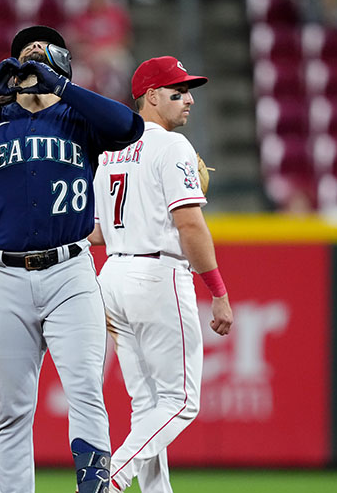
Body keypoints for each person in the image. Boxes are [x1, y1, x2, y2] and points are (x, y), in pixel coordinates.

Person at [0, 25, 144, 493]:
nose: (33, 54)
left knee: (85, 391)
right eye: (25, 52)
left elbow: (129, 127)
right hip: (4, 276)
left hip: (69, 272)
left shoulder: (79, 118)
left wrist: (62, 86)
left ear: (62, 63)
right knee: (12, 410)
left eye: (44, 49)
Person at [88, 56, 234, 493]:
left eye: (188, 92)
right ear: (151, 96)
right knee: (181, 402)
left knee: (148, 404)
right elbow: (189, 225)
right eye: (178, 92)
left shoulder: (109, 151)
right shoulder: (172, 146)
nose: (189, 100)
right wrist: (218, 292)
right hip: (156, 274)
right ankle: (108, 479)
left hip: (112, 275)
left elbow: (98, 232)